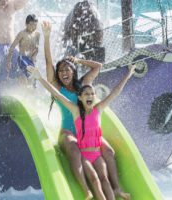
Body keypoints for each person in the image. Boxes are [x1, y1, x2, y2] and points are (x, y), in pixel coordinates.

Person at [41, 21, 129, 200]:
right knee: (73, 147)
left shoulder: (84, 85)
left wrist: (78, 60)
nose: (63, 73)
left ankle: (117, 188)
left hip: (88, 133)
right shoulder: (59, 88)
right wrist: (47, 37)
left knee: (109, 151)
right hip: (69, 132)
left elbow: (98, 66)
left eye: (67, 70)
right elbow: (49, 63)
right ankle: (86, 190)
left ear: (73, 72)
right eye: (61, 71)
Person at [28, 65, 135, 200]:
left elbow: (115, 92)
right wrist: (40, 78)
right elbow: (57, 94)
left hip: (97, 154)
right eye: (86, 94)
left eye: (92, 94)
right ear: (80, 98)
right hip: (84, 155)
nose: (89, 96)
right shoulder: (76, 111)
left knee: (104, 179)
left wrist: (128, 75)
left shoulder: (98, 109)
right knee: (95, 180)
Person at [7, 14, 40, 83]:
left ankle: (28, 91)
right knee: (27, 76)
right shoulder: (22, 34)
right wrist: (8, 61)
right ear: (26, 24)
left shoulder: (37, 34)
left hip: (31, 60)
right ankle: (21, 89)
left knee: (34, 80)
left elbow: (36, 48)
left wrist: (34, 56)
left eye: (35, 25)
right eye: (31, 24)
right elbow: (12, 47)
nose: (33, 27)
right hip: (22, 58)